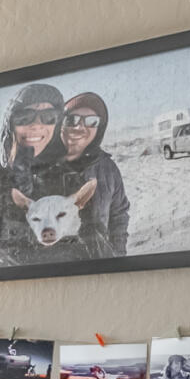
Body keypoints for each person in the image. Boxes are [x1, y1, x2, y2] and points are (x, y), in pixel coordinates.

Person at [0, 82, 64, 263]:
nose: (36, 125)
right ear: (10, 125)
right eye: (25, 117)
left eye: (48, 117)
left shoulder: (64, 178)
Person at [52, 92, 134, 258]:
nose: (80, 127)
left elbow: (119, 214)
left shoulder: (107, 168)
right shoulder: (41, 166)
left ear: (99, 129)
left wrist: (117, 254)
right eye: (72, 119)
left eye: (92, 122)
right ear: (59, 123)